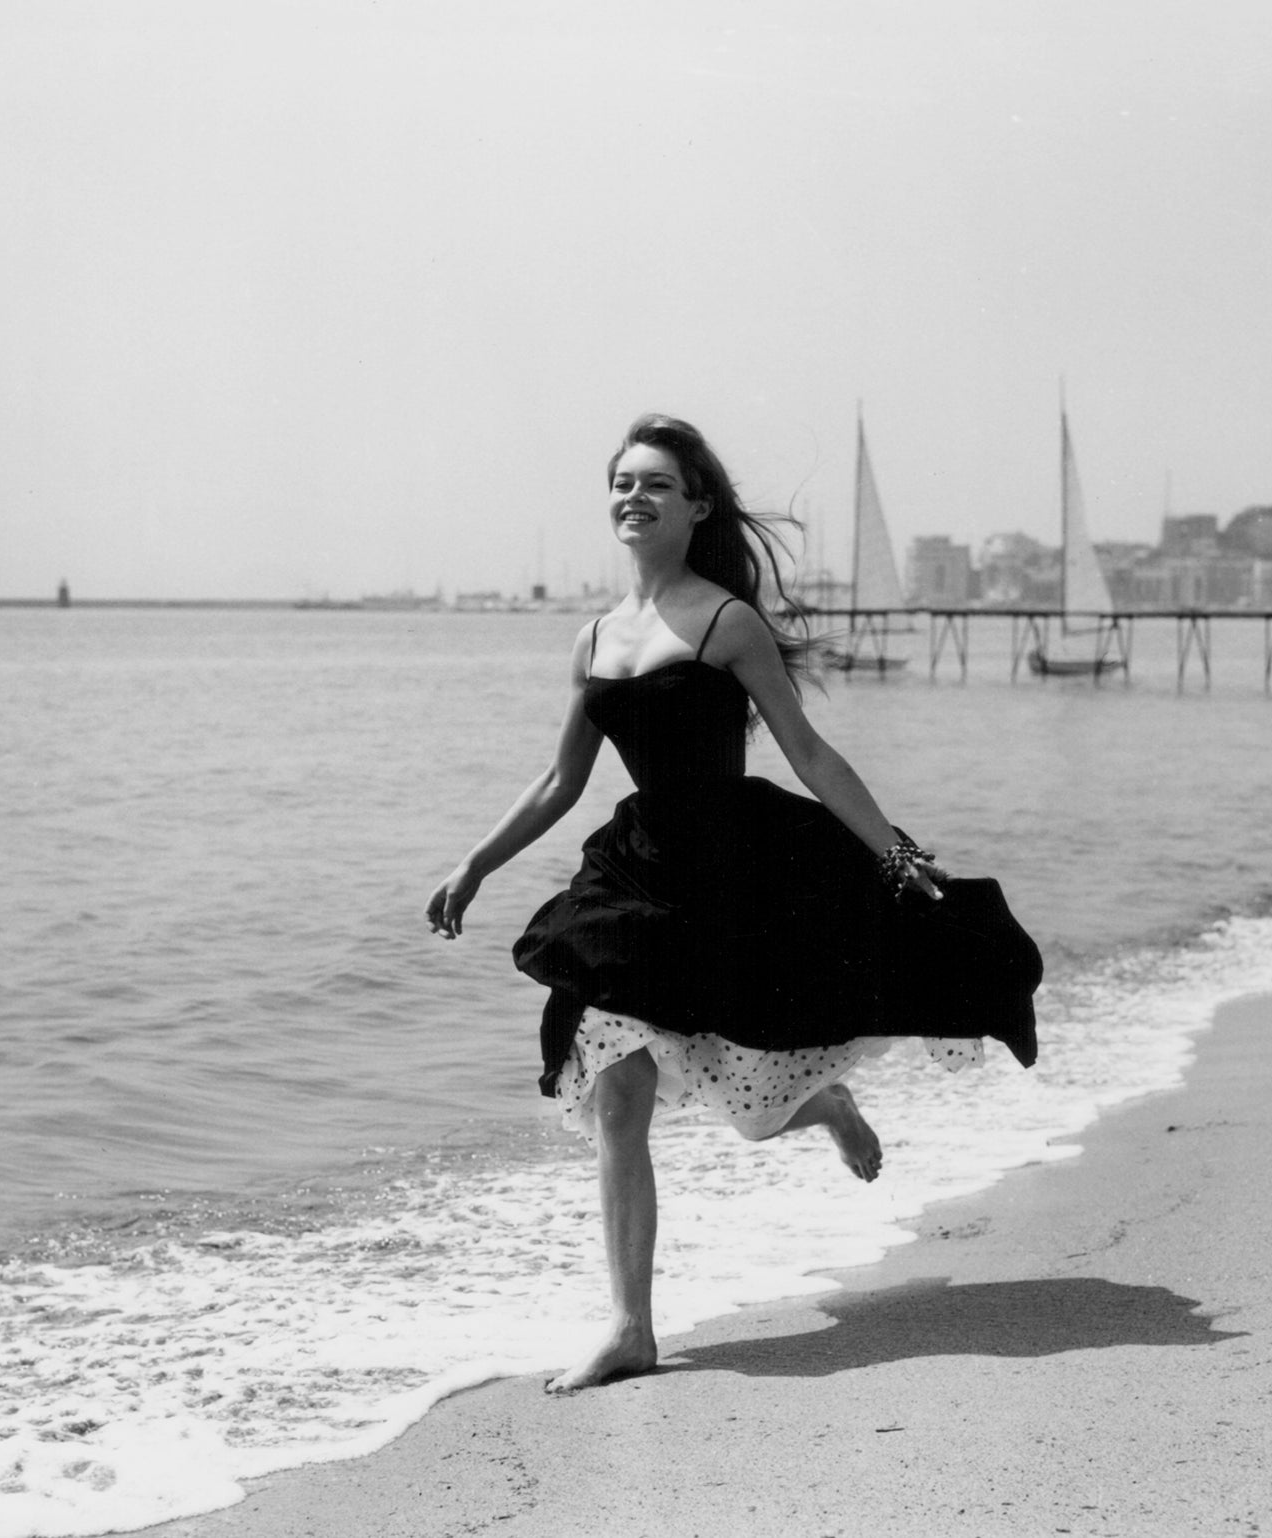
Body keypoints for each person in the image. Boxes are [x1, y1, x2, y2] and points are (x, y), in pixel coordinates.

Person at [425, 413, 1040, 1394]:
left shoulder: (725, 621)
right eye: (622, 481)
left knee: (748, 1107)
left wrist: (899, 858)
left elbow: (809, 753)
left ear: (695, 505)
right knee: (616, 1092)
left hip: (731, 873)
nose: (634, 496)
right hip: (631, 875)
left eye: (656, 483)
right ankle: (631, 1325)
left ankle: (824, 1103)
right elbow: (557, 781)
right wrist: (476, 862)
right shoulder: (592, 637)